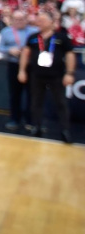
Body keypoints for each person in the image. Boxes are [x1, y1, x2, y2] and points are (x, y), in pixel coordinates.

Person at [18, 10, 75, 143]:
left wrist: (69, 73)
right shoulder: (32, 37)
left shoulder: (61, 37)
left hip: (56, 75)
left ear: (51, 22)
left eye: (43, 20)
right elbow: (25, 54)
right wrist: (22, 71)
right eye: (39, 20)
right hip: (37, 75)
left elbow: (70, 55)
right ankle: (36, 126)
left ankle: (65, 130)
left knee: (61, 102)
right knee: (36, 102)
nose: (40, 23)